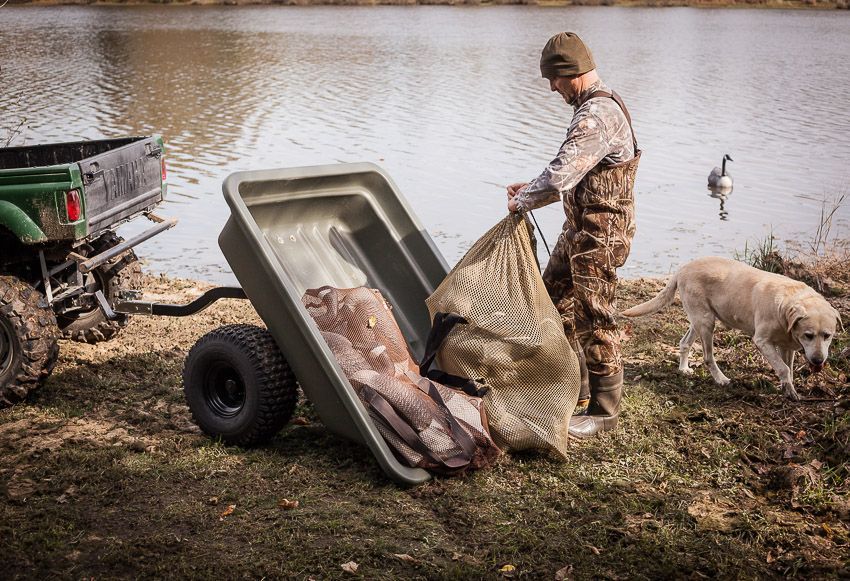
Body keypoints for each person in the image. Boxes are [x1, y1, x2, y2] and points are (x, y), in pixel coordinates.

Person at [506, 32, 640, 438]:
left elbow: (560, 176)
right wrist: (529, 185)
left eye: (554, 79)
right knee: (552, 302)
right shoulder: (599, 106)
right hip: (579, 232)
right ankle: (576, 388)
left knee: (596, 316)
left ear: (571, 73)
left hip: (601, 235)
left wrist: (523, 200)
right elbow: (575, 172)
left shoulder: (594, 116)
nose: (551, 88)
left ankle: (604, 410)